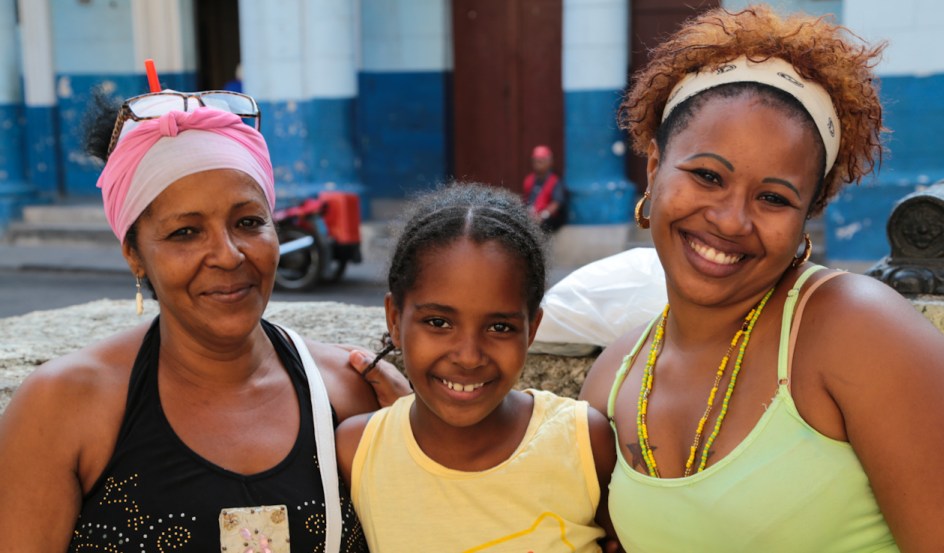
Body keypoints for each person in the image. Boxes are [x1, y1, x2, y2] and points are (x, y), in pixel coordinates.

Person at [577, 5, 944, 552]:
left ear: (808, 213)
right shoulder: (613, 380)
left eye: (773, 198)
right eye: (707, 175)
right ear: (653, 167)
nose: (732, 220)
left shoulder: (859, 334)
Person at [0, 88, 409, 552]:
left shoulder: (348, 393)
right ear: (134, 254)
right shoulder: (64, 409)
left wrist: (417, 432)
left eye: (249, 222)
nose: (228, 255)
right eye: (185, 232)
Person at [336, 183, 618, 552]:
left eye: (499, 327)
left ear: (531, 330)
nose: (468, 356)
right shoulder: (357, 453)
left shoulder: (584, 442)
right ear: (394, 319)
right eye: (438, 323)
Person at [522, 144, 568, 232]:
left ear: (549, 162)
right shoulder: (528, 180)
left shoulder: (555, 181)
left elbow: (556, 203)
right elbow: (527, 200)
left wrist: (542, 215)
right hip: (532, 215)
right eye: (536, 161)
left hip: (547, 219)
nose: (538, 164)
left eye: (541, 161)